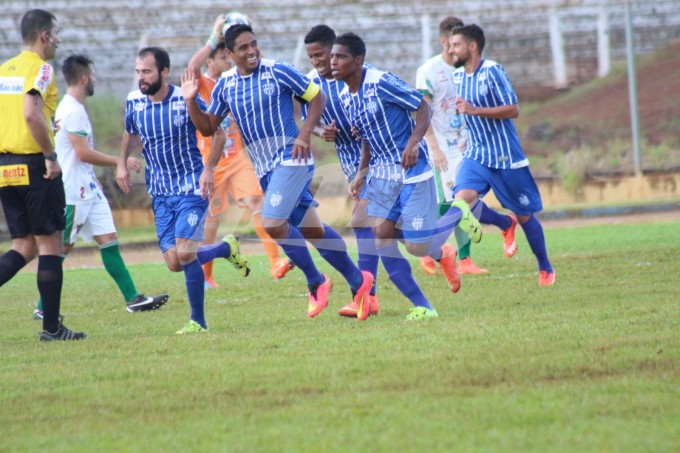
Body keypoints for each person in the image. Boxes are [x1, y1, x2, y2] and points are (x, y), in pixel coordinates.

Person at [181, 24, 374, 320]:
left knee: (272, 223)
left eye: (253, 44)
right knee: (313, 229)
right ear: (230, 54)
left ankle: (316, 281)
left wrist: (305, 134)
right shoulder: (226, 86)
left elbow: (317, 97)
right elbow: (207, 127)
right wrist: (191, 100)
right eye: (243, 48)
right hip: (266, 169)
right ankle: (360, 284)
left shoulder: (278, 70)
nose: (251, 51)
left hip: (293, 158)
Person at [331, 32, 480, 320]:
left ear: (358, 60)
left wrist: (412, 144)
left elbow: (422, 106)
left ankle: (457, 213)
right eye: (333, 57)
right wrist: (362, 173)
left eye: (340, 57)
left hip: (413, 173)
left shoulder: (381, 82)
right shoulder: (343, 95)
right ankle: (424, 306)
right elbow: (366, 136)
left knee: (416, 246)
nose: (333, 62)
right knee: (382, 237)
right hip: (382, 177)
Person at [116, 46, 251, 335]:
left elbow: (217, 132)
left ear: (164, 72)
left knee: (187, 252)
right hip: (161, 193)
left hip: (191, 186)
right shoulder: (134, 102)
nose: (141, 77)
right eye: (138, 72)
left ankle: (198, 322)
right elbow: (129, 131)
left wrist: (208, 170)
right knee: (175, 262)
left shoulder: (184, 98)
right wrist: (121, 164)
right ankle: (226, 248)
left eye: (147, 71)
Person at [31, 54, 169, 320]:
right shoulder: (72, 110)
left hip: (89, 189)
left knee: (109, 241)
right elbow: (83, 153)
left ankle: (133, 299)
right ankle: (42, 306)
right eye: (92, 76)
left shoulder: (73, 108)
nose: (94, 80)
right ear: (84, 78)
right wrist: (122, 161)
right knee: (61, 249)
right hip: (73, 192)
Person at [0, 9, 87, 341]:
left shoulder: (3, 70)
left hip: (5, 167)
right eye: (57, 32)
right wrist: (50, 157)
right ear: (45, 36)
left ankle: (52, 324)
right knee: (51, 246)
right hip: (35, 165)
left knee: (23, 246)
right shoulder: (43, 69)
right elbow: (31, 114)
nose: (59, 39)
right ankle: (52, 327)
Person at [448, 24, 556, 285]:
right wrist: (465, 137)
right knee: (461, 202)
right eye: (450, 45)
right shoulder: (458, 78)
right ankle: (504, 224)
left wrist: (475, 111)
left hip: (506, 157)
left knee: (525, 215)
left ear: (472, 47)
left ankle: (545, 267)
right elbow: (465, 114)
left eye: (456, 45)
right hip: (476, 154)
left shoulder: (492, 71)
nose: (451, 50)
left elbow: (513, 109)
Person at [189, 27, 293, 286]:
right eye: (223, 57)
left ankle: (275, 262)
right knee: (211, 218)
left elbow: (259, 65)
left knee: (257, 203)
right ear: (211, 61)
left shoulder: (238, 80)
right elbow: (191, 67)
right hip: (212, 161)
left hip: (238, 158)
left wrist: (248, 46)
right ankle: (206, 275)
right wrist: (212, 38)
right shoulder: (204, 84)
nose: (228, 62)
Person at [303, 24, 379, 318]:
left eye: (320, 55)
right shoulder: (311, 84)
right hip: (350, 162)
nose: (317, 63)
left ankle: (366, 295)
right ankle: (442, 252)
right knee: (381, 227)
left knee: (363, 222)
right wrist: (323, 132)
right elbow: (310, 121)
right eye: (311, 57)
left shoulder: (360, 75)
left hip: (376, 157)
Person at [415, 16, 489, 276]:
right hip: (441, 148)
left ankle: (465, 260)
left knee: (463, 203)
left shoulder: (467, 70)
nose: (456, 48)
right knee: (445, 205)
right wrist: (433, 147)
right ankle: (427, 250)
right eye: (452, 42)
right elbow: (422, 113)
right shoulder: (428, 71)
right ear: (443, 41)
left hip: (466, 146)